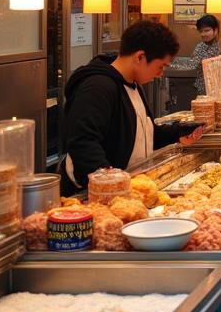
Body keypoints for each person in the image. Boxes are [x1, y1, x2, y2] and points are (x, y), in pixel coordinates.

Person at [62, 20, 205, 191]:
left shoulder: (133, 84)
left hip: (126, 187)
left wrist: (178, 133)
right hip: (89, 194)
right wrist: (114, 185)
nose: (160, 74)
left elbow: (144, 133)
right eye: (160, 66)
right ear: (139, 57)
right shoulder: (97, 87)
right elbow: (83, 143)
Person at [191, 14, 221, 95]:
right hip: (203, 90)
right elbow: (195, 65)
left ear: (215, 30)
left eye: (207, 30)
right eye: (201, 31)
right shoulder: (199, 47)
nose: (203, 34)